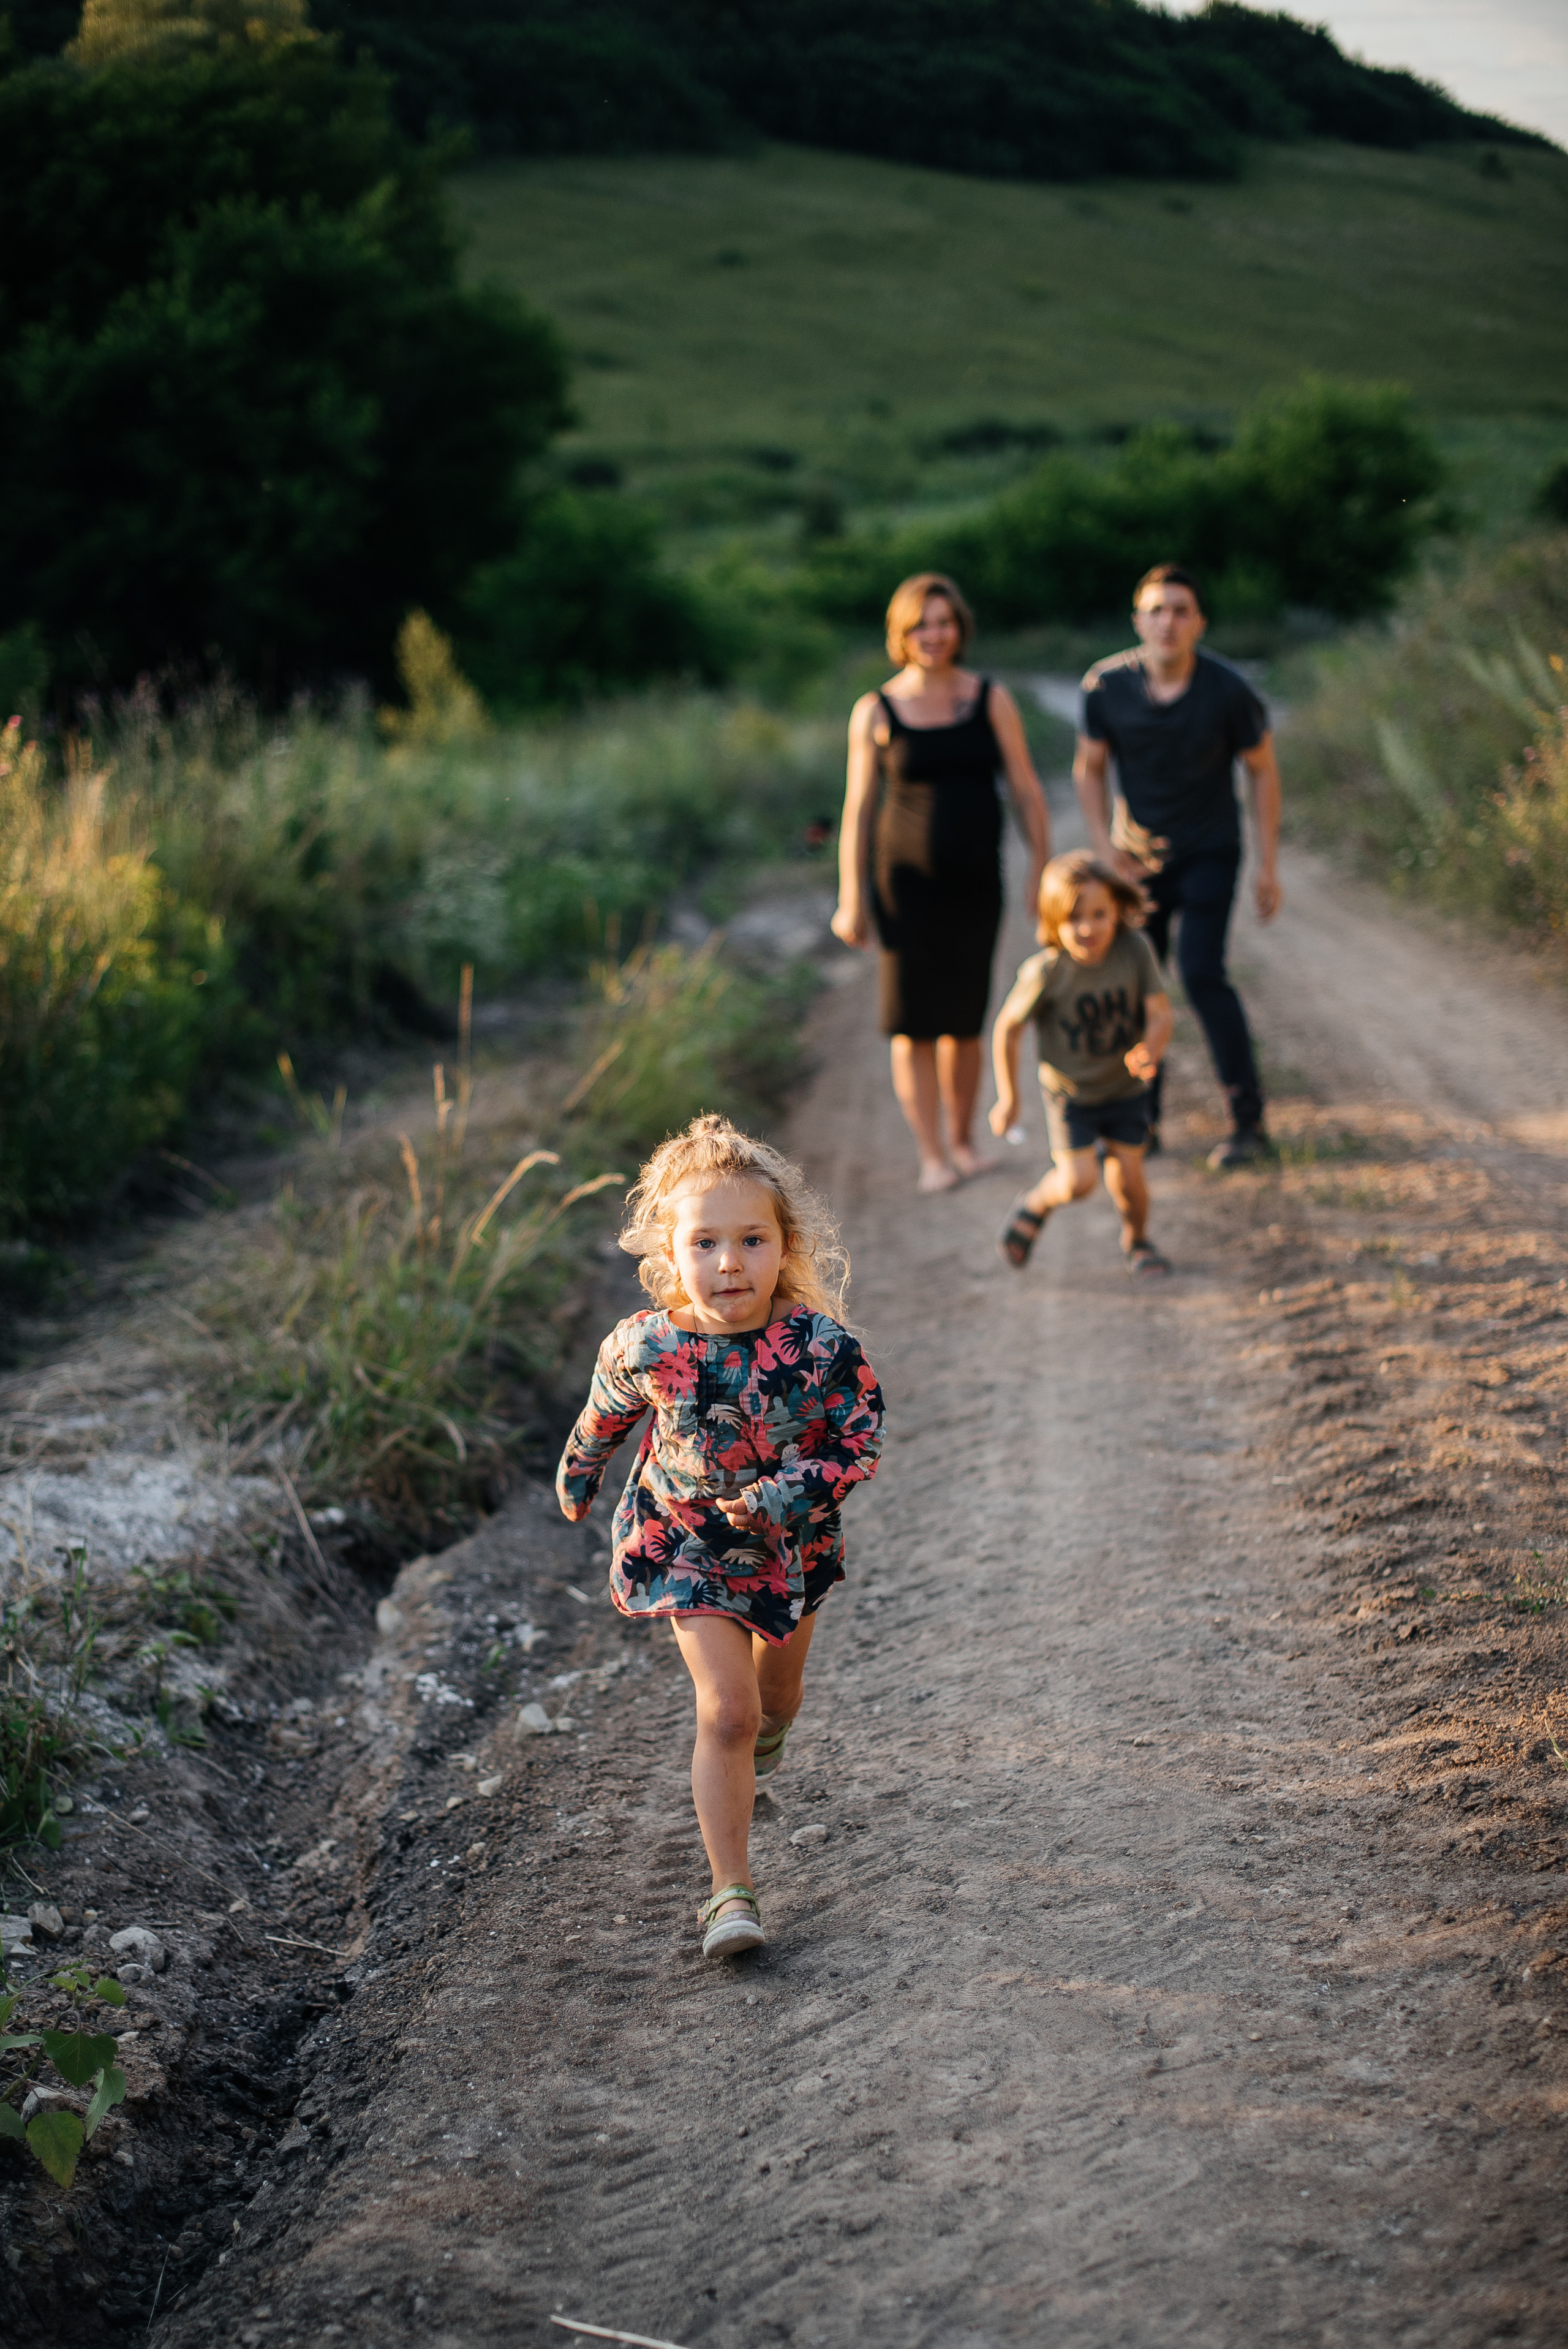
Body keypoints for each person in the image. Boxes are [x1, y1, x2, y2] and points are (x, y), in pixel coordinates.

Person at [555, 1114, 884, 1961]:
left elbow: (859, 1443)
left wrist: (786, 1493)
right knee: (728, 1710)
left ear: (785, 1246)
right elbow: (604, 1416)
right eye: (705, 1242)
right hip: (685, 1543)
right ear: (671, 1252)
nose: (728, 1262)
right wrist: (578, 1476)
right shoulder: (647, 1344)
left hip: (793, 1547)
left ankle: (769, 1739)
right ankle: (729, 1891)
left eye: (750, 1240)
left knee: (775, 1701)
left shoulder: (820, 1347)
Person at [832, 571, 1050, 1193]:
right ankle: (931, 1155)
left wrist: (1041, 868)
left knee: (965, 1020)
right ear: (901, 634)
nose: (934, 635)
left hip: (976, 885)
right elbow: (858, 810)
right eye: (921, 625)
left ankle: (963, 1142)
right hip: (904, 890)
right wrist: (851, 897)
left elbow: (1027, 792)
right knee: (913, 1024)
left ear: (960, 628)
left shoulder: (990, 699)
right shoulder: (875, 710)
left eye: (944, 622)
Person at [1074, 562, 1283, 1170]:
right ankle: (1142, 1122)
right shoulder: (1106, 686)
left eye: (1180, 611)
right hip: (1134, 863)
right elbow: (1089, 768)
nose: (1168, 622)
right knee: (1137, 984)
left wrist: (1268, 864)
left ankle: (1248, 1124)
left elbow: (1262, 770)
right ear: (1138, 620)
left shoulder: (1228, 690)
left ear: (1200, 623)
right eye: (1156, 610)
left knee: (1200, 972)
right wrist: (1104, 851)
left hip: (1210, 850)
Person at [989, 850, 1174, 1277]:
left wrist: (1150, 1048)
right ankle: (1036, 1203)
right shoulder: (1047, 972)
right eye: (1074, 918)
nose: (1088, 928)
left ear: (1117, 911)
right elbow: (1008, 1029)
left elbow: (1161, 1014)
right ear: (1052, 920)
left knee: (1130, 1179)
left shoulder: (1134, 950)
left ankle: (1138, 1242)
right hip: (1071, 1096)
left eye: (1099, 915)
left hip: (1125, 1089)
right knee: (1078, 1181)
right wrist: (1009, 1099)